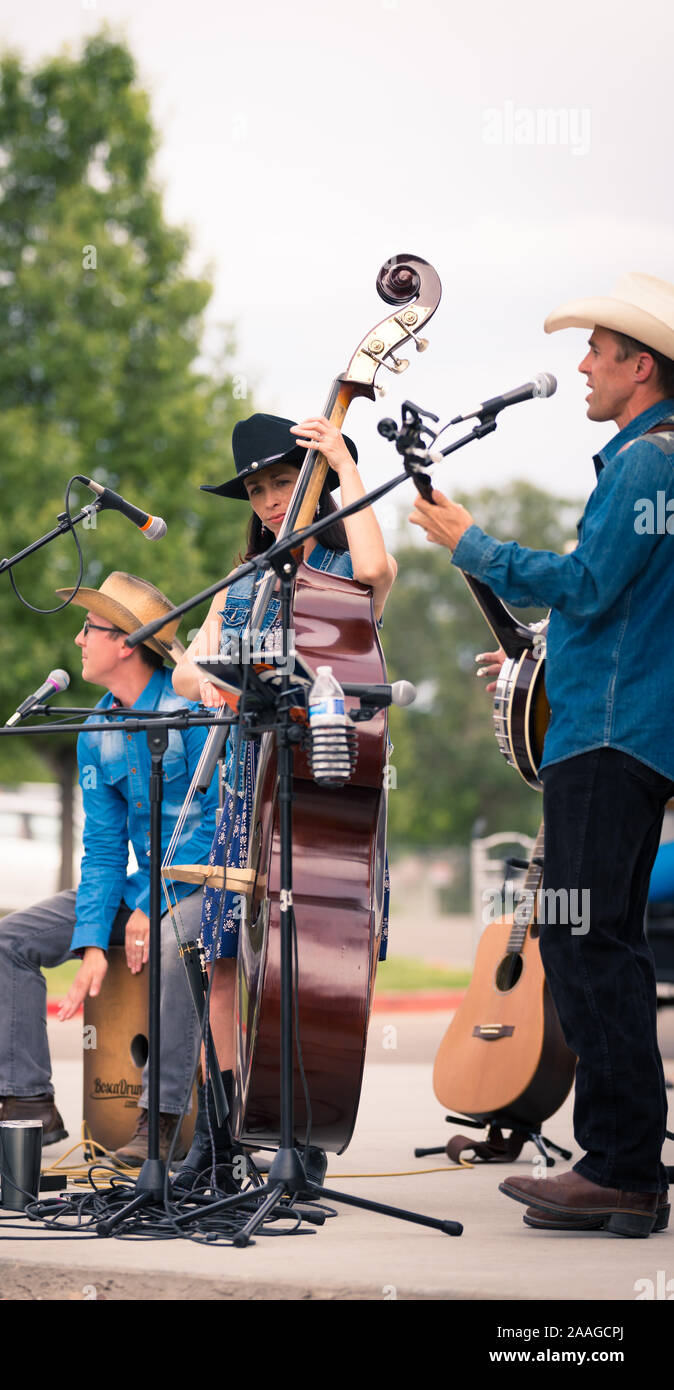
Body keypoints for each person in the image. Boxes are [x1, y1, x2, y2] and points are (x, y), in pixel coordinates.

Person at [409, 272, 674, 1237]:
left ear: (639, 367)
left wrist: (471, 542)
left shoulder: (648, 464)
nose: (582, 367)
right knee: (601, 939)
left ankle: (621, 1167)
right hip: (624, 730)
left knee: (583, 937)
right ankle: (625, 1165)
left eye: (597, 355)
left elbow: (591, 583)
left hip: (607, 739)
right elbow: (627, 611)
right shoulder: (658, 461)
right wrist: (543, 656)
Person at [170, 411, 398, 1188]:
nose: (271, 499)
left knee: (300, 967)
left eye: (283, 482)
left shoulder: (339, 567)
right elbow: (185, 668)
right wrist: (206, 683)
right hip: (244, 792)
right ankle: (220, 1137)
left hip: (319, 792)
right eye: (260, 489)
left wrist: (346, 464)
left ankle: (299, 1143)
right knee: (225, 961)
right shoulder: (242, 583)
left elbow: (378, 569)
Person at [0, 572, 219, 1165]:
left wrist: (152, 903)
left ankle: (160, 1123)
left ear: (127, 642)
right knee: (9, 940)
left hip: (204, 885)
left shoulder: (195, 706)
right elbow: (102, 850)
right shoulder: (94, 729)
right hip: (140, 890)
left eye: (89, 628)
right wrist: (92, 941)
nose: (77, 639)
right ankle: (27, 1109)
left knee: (177, 935)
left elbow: (213, 825)